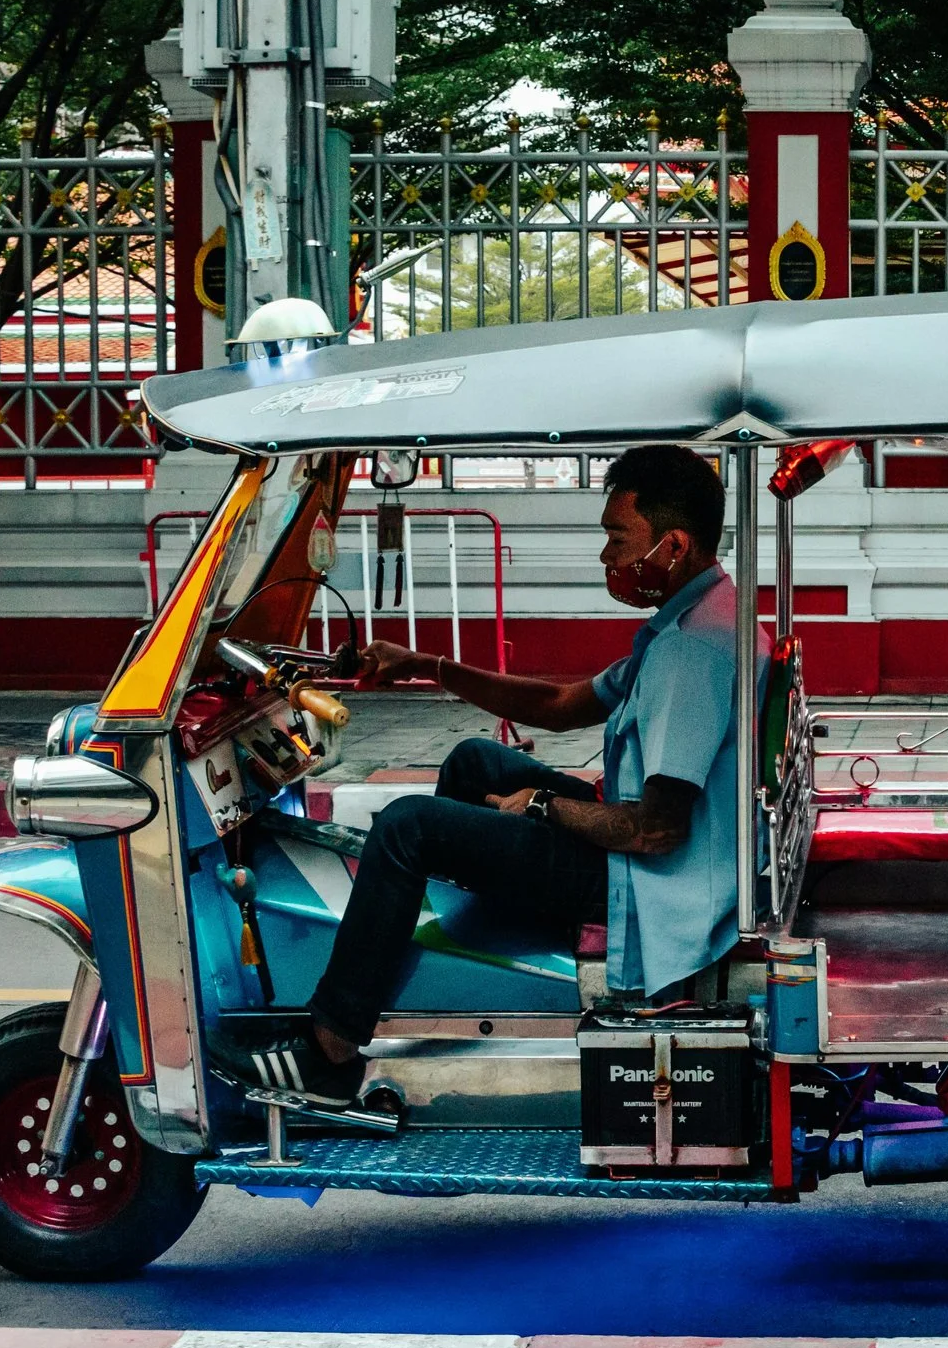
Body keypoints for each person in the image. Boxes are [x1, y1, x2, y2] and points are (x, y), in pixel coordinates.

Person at [214, 444, 763, 1108]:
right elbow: (560, 705)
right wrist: (429, 665)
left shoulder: (689, 653)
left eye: (618, 540)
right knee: (477, 760)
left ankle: (329, 1051)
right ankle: (455, 941)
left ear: (673, 546)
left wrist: (541, 810)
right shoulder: (701, 613)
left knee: (405, 828)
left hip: (652, 884)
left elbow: (655, 831)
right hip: (660, 851)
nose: (607, 558)